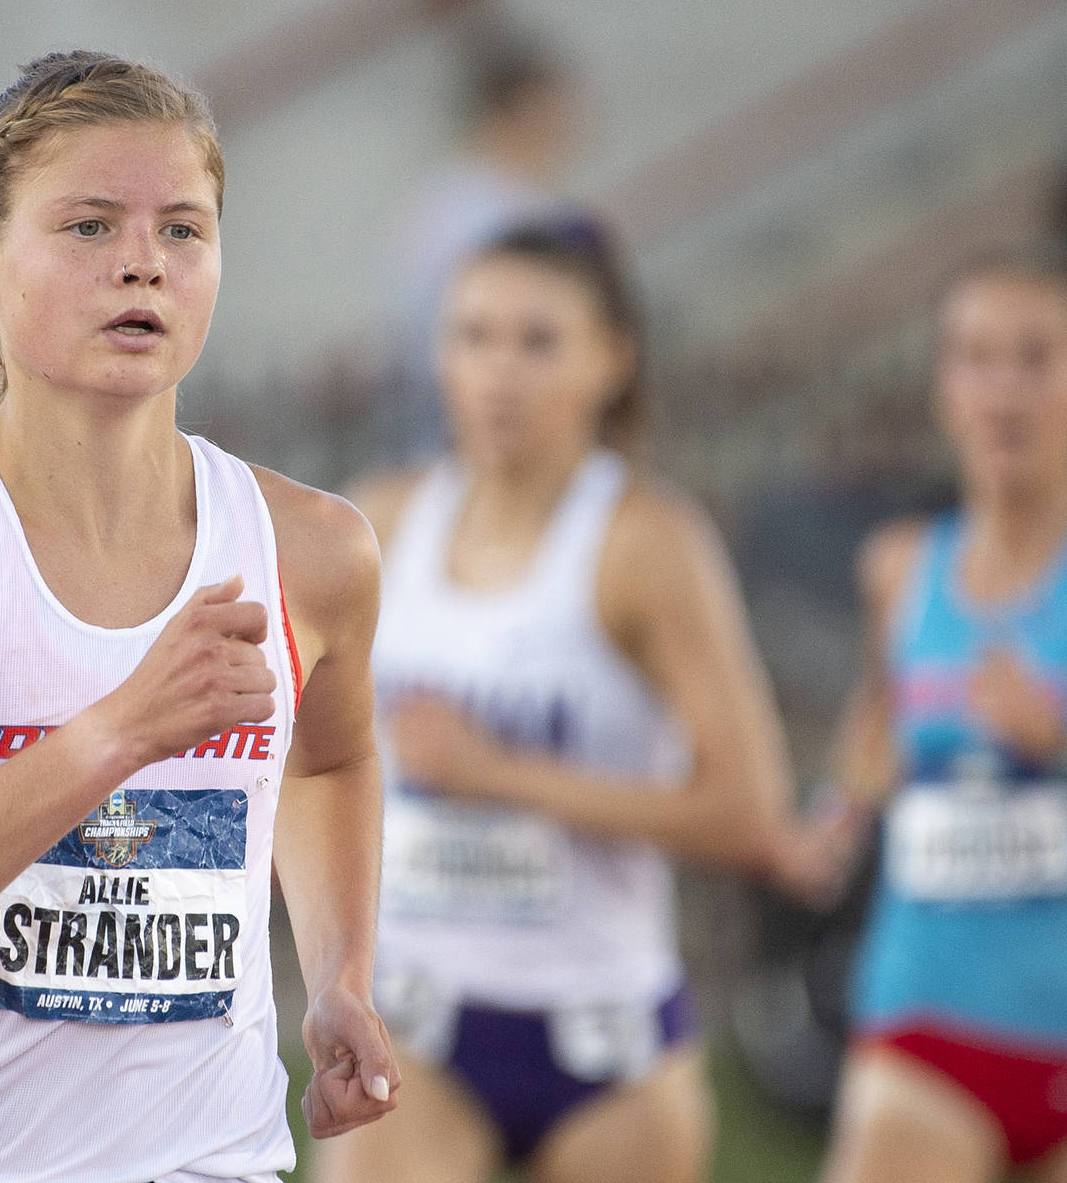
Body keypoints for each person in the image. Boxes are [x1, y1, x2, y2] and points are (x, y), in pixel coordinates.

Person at [0, 51, 399, 1183]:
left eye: (182, 230)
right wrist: (116, 734)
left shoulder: (310, 549)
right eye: (88, 227)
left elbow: (329, 761)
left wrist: (340, 973)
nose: (140, 266)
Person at [322, 222, 795, 1183]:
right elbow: (297, 752)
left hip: (607, 1047)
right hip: (415, 1023)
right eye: (474, 336)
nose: (500, 372)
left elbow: (749, 813)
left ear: (611, 359)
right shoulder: (380, 519)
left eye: (537, 342)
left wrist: (504, 775)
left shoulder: (648, 544)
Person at [813, 246, 1067, 1183]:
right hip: (925, 1021)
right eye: (976, 358)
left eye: (1036, 359)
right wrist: (836, 814)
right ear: (943, 386)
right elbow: (878, 718)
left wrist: (1053, 739)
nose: (1004, 391)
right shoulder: (901, 567)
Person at [381, 34, 584, 464]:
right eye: (550, 107)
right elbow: (423, 327)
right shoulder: (457, 210)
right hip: (454, 427)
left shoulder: (545, 209)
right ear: (515, 109)